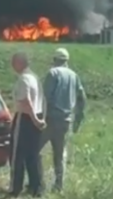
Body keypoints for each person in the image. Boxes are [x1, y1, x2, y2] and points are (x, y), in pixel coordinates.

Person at [40, 47, 86, 191]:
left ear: (55, 60)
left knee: (35, 150)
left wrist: (40, 117)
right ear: (67, 61)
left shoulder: (52, 73)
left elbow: (44, 98)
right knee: (60, 154)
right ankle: (59, 185)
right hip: (66, 121)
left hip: (50, 119)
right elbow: (82, 98)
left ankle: (37, 183)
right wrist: (78, 117)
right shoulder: (74, 75)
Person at [8, 52, 46, 197]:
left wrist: (34, 119)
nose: (12, 65)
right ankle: (36, 187)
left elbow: (25, 101)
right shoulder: (35, 78)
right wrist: (40, 118)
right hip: (37, 115)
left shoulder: (23, 79)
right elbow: (43, 99)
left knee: (16, 155)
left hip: (24, 118)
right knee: (33, 154)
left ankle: (15, 188)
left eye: (14, 62)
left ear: (19, 63)